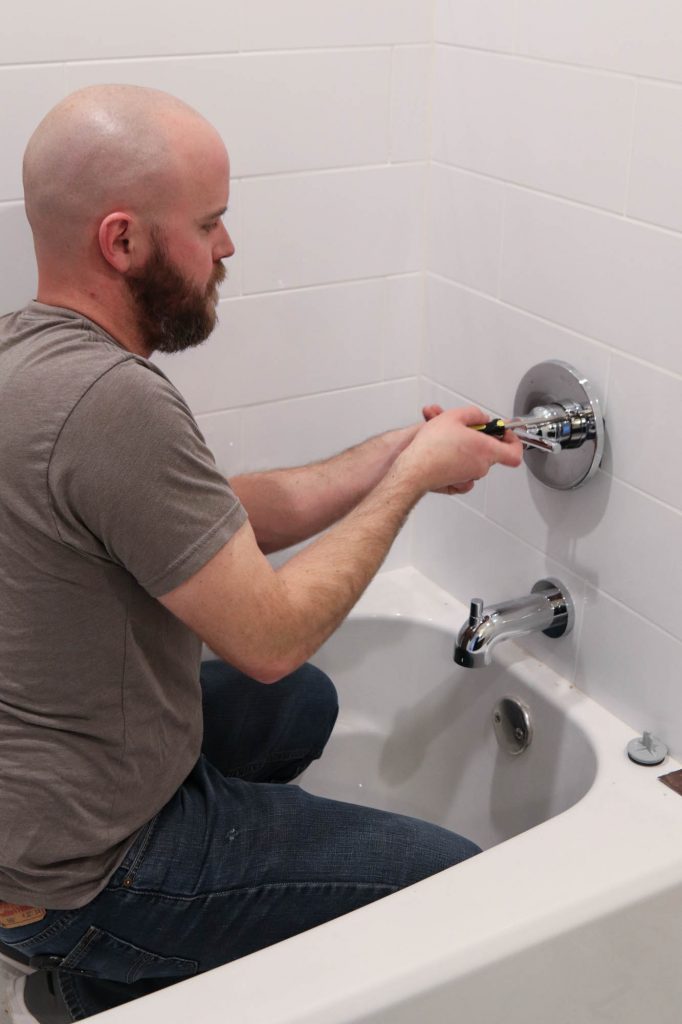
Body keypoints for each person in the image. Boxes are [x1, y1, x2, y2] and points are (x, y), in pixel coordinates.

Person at [0, 85, 523, 1022]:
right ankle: (104, 961)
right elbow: (272, 636)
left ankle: (94, 974)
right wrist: (409, 487)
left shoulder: (30, 360)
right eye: (210, 224)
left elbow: (214, 518)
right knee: (461, 889)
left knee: (298, 706)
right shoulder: (112, 403)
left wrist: (402, 452)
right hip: (83, 866)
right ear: (122, 242)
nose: (228, 249)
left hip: (39, 808)